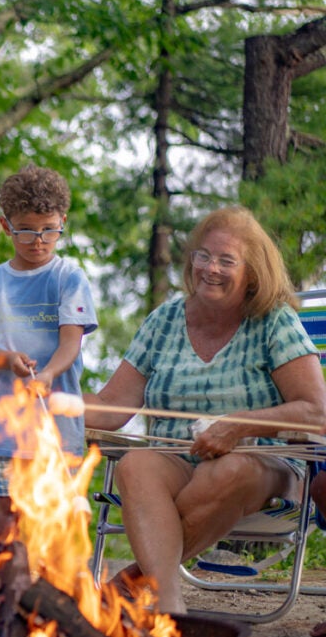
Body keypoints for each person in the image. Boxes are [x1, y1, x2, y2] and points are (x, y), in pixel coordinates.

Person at [84, 206, 326, 615]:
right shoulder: (164, 319)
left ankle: (135, 582)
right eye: (203, 255)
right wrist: (50, 401)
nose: (211, 268)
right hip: (177, 458)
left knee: (228, 470)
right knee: (135, 466)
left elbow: (316, 411)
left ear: (251, 272)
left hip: (262, 464)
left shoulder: (272, 320)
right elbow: (111, 407)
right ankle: (168, 607)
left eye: (227, 260)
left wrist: (236, 427)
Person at [0, 164, 97, 546]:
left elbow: (71, 342)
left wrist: (47, 374)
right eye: (28, 231)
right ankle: (2, 586)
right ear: (6, 227)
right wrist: (5, 360)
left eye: (50, 229)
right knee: (8, 512)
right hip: (6, 423)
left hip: (59, 422)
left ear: (62, 222)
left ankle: (61, 587)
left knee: (61, 510)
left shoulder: (70, 277)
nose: (39, 240)